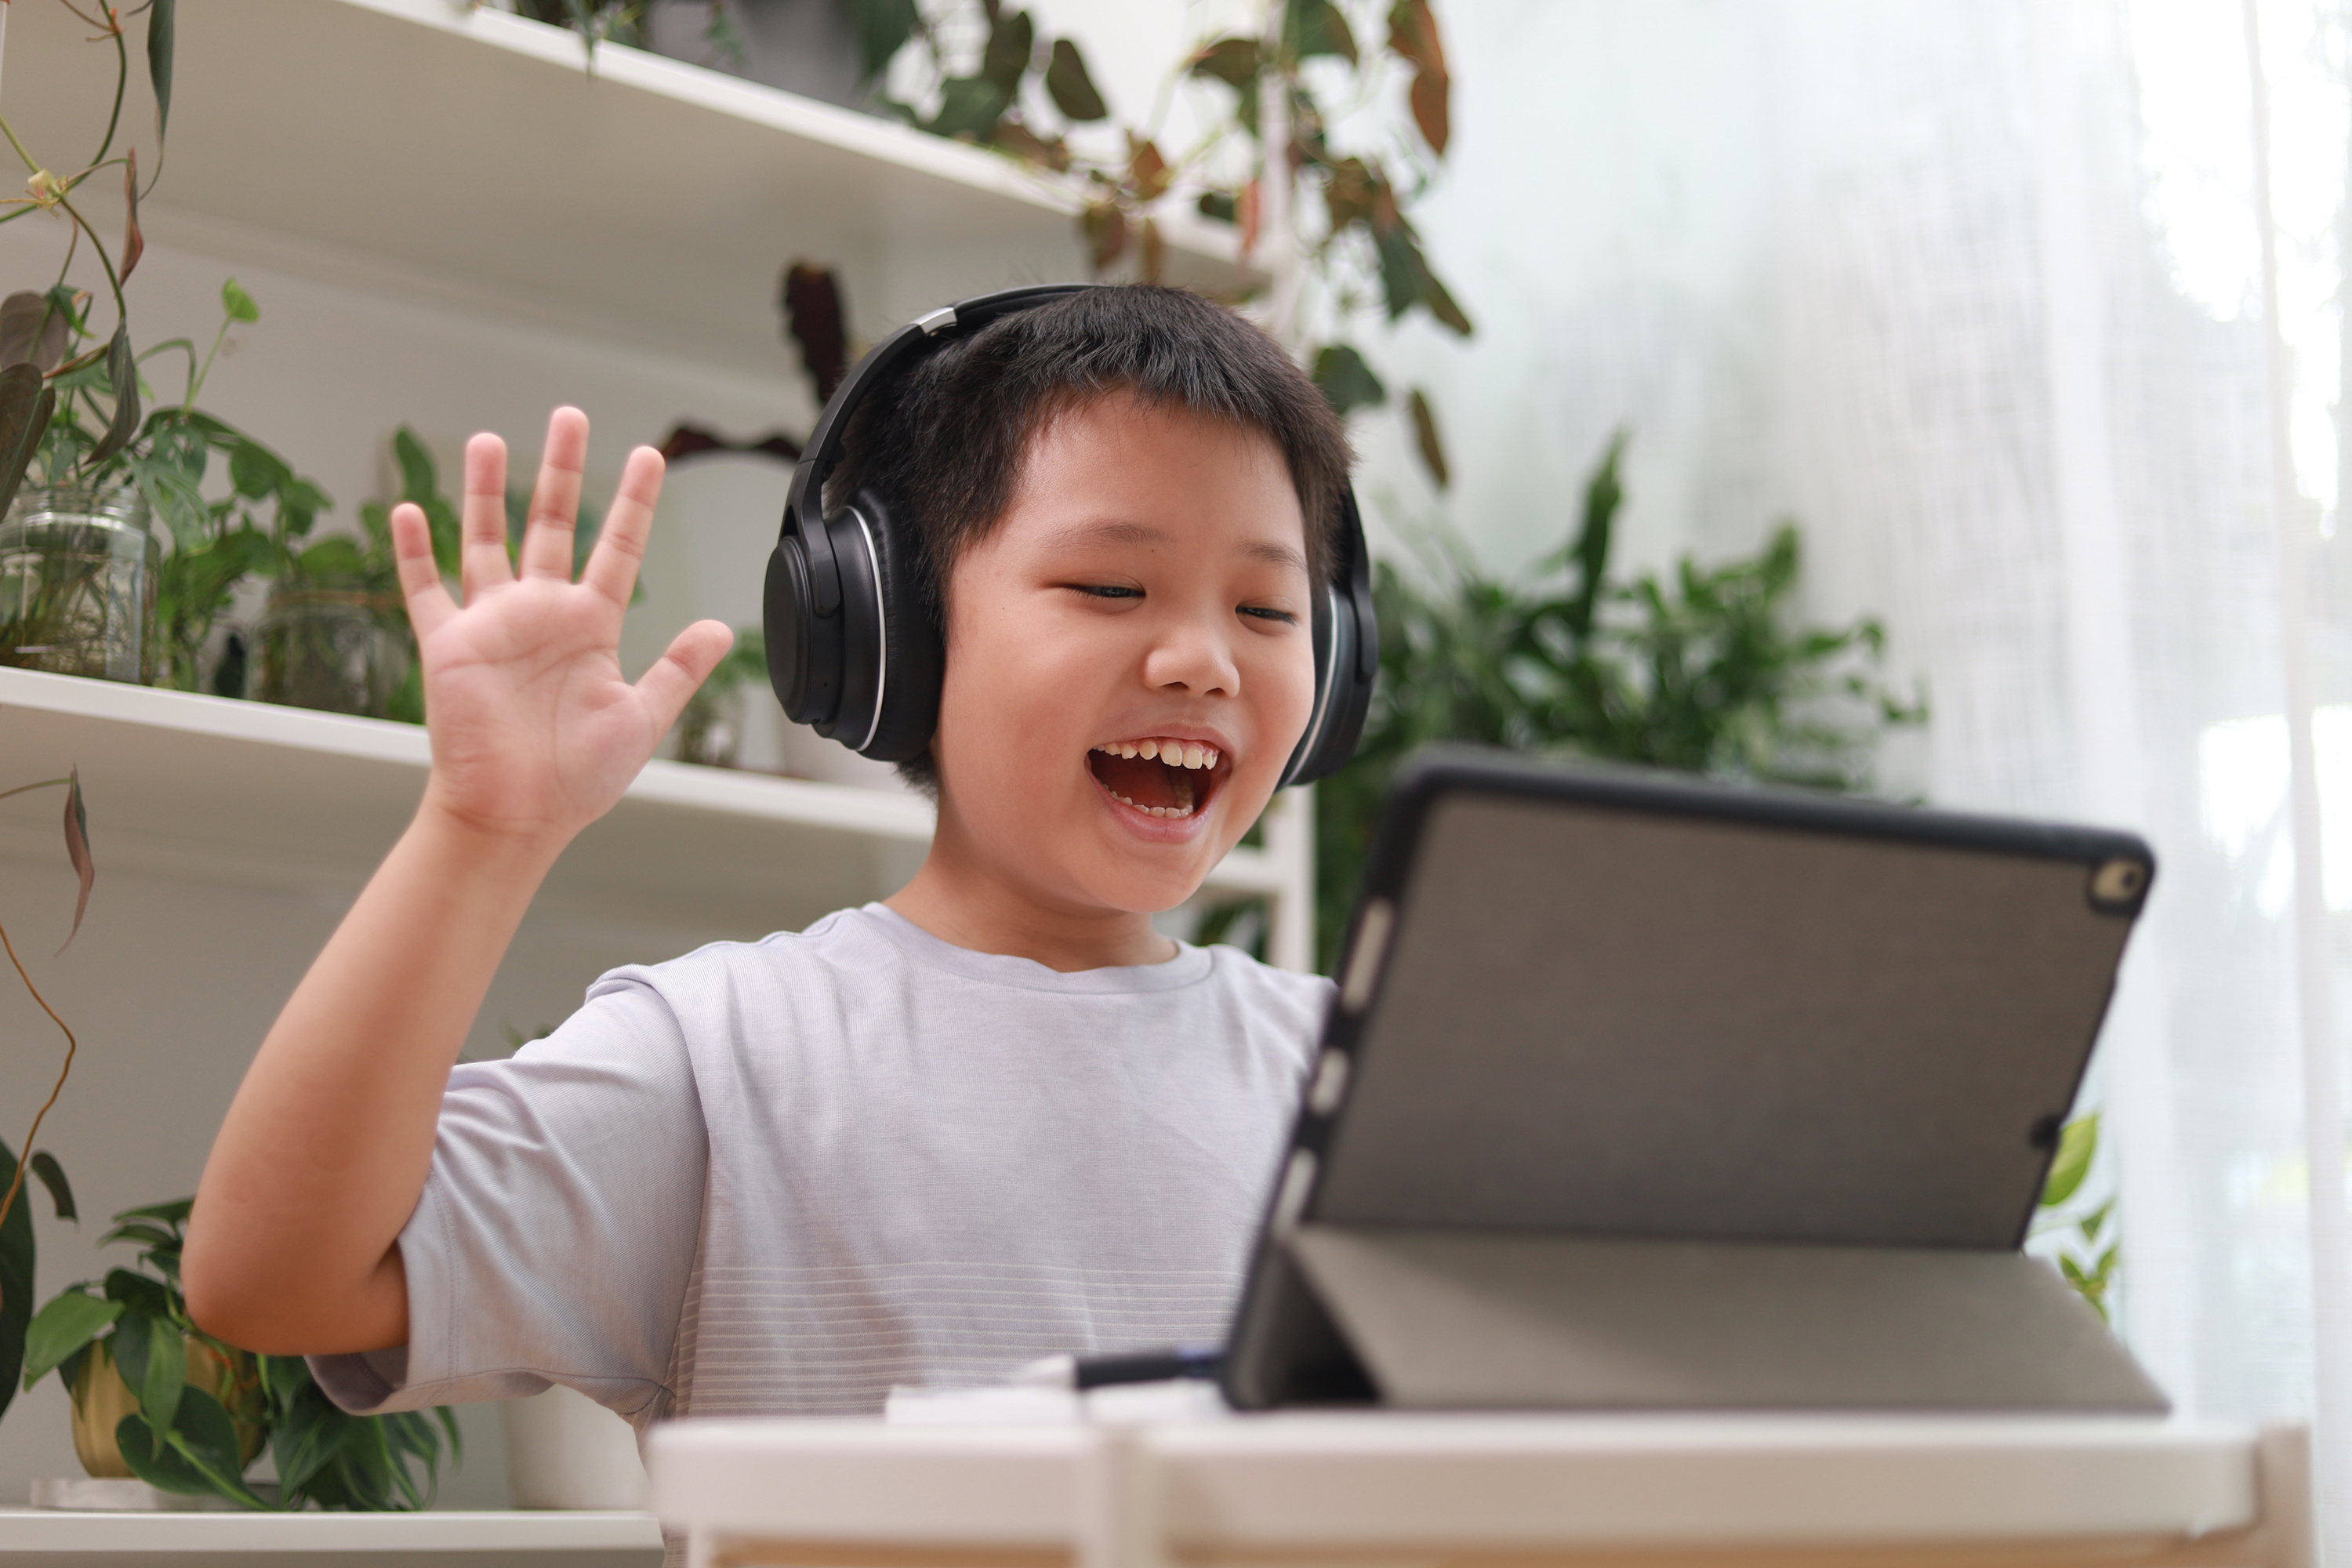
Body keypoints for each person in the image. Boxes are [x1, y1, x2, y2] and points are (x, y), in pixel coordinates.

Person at [182, 285, 1352, 1428]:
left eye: (1268, 611)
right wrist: (480, 834)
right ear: (898, 629)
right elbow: (271, 1279)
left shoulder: (1349, 1076)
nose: (1205, 662)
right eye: (1111, 586)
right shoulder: (728, 1057)